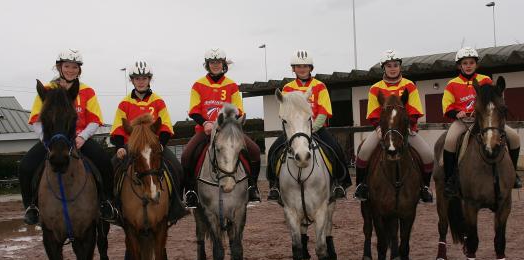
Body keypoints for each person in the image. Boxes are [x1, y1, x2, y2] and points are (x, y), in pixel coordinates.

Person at [19, 49, 115, 225]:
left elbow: (95, 120)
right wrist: (45, 141)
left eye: (75, 67)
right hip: (53, 141)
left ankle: (106, 202)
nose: (71, 70)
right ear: (59, 67)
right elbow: (36, 120)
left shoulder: (87, 91)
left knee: (105, 163)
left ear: (79, 69)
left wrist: (83, 137)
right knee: (26, 166)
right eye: (67, 66)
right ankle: (31, 207)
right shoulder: (47, 89)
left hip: (79, 139)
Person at [267, 49, 352, 201]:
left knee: (335, 148)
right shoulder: (287, 88)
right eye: (298, 66)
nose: (302, 69)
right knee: (274, 150)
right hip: (293, 130)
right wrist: (296, 129)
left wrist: (311, 129)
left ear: (311, 68)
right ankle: (274, 185)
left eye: (305, 66)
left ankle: (340, 182)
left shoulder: (320, 86)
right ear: (293, 69)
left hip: (316, 128)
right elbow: (284, 113)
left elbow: (324, 111)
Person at [181, 48, 261, 208]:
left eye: (218, 62)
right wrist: (206, 123)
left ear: (223, 64)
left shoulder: (231, 85)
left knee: (254, 150)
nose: (215, 65)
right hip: (205, 131)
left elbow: (238, 109)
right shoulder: (198, 85)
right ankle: (191, 191)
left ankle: (252, 187)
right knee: (186, 155)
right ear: (207, 65)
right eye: (212, 62)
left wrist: (228, 124)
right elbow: (194, 110)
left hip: (228, 130)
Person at [110, 60, 185, 224]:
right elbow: (117, 127)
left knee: (176, 167)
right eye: (137, 78)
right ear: (132, 80)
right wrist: (120, 147)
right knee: (111, 168)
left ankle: (176, 205)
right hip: (132, 147)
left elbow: (165, 125)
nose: (141, 81)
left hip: (154, 147)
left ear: (149, 79)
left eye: (144, 78)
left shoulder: (158, 101)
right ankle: (113, 207)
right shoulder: (125, 103)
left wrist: (161, 144)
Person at [354, 49, 434, 203]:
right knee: (363, 152)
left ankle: (424, 187)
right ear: (383, 68)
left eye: (395, 65)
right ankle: (361, 185)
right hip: (383, 131)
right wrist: (378, 128)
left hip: (406, 129)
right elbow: (373, 113)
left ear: (400, 67)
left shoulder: (409, 85)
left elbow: (415, 110)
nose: (392, 68)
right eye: (389, 65)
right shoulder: (375, 88)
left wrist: (408, 126)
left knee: (428, 155)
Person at [442, 47, 522, 197]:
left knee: (514, 138)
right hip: (463, 121)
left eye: (471, 62)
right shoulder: (451, 84)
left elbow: (494, 99)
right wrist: (455, 112)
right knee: (450, 141)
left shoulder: (485, 80)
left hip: (485, 119)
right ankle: (450, 180)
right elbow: (447, 105)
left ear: (476, 64)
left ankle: (514, 173)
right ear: (459, 66)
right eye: (464, 63)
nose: (468, 65)